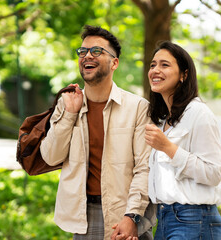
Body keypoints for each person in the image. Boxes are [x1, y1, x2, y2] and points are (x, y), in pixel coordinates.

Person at [40, 25, 156, 240]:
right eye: (82, 51)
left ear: (115, 63)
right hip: (84, 215)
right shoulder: (67, 104)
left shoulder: (138, 107)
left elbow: (145, 167)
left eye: (96, 51)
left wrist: (133, 216)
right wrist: (69, 114)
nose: (87, 56)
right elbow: (51, 156)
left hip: (126, 213)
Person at [145, 41, 221, 240]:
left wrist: (168, 148)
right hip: (164, 218)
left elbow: (214, 173)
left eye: (165, 65)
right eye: (153, 64)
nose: (155, 70)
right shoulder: (164, 120)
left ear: (184, 74)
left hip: (193, 219)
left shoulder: (199, 113)